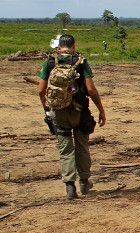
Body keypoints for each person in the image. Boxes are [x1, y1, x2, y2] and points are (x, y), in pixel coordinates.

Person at [36, 34, 106, 199]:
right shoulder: (81, 62)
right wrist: (101, 109)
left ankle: (69, 187)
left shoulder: (50, 62)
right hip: (79, 110)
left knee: (65, 149)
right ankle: (84, 181)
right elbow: (91, 90)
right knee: (82, 146)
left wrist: (47, 107)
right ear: (74, 45)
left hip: (59, 112)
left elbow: (40, 90)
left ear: (59, 47)